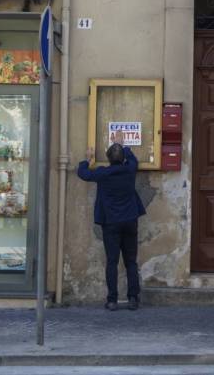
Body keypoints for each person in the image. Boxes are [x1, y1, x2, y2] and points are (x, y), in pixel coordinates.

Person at [77, 129, 146, 310]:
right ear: (123, 158)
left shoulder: (102, 173)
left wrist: (88, 158)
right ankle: (133, 299)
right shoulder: (129, 170)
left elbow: (83, 173)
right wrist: (123, 145)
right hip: (130, 220)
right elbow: (133, 161)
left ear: (107, 158)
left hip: (111, 222)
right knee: (131, 261)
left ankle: (112, 300)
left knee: (112, 262)